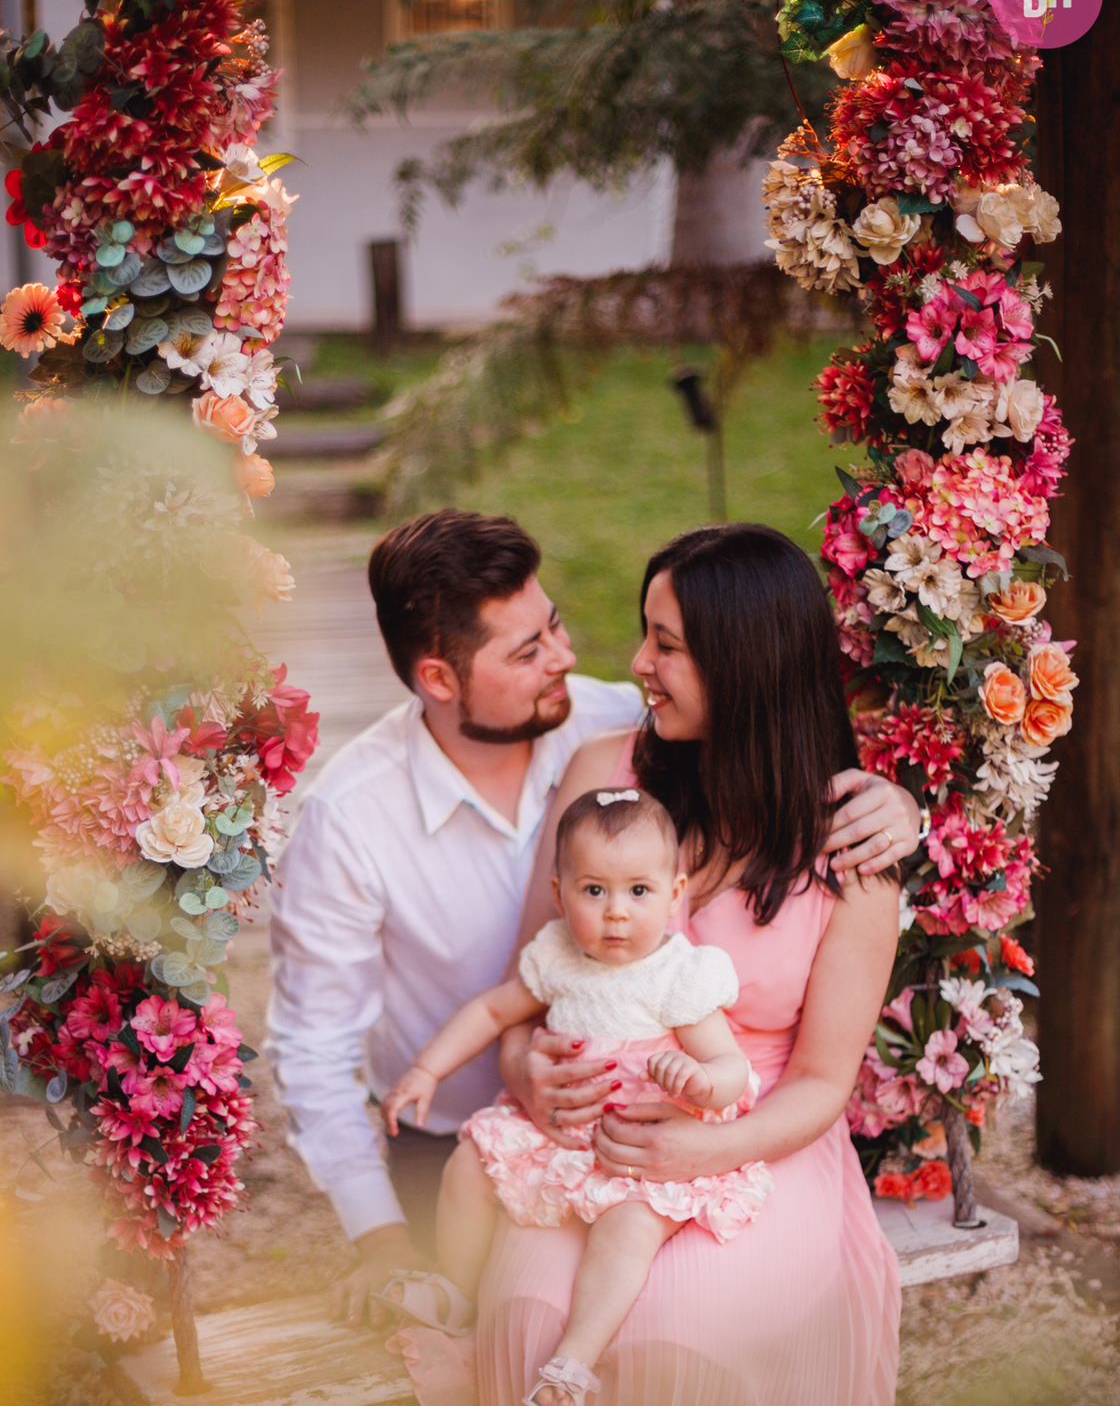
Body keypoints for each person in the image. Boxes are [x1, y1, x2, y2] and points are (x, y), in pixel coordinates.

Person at [394, 525, 903, 1406]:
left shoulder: (852, 845)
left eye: (668, 644)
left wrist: (706, 1143)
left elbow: (825, 1085)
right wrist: (526, 1073)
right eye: (646, 634)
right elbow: (532, 982)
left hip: (757, 1141)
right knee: (527, 1317)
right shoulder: (606, 779)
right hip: (596, 1137)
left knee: (682, 1336)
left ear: (749, 658)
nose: (642, 661)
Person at [267, 508, 918, 1329]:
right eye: (529, 651)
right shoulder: (351, 822)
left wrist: (901, 806)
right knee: (524, 1313)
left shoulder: (606, 723)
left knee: (672, 1318)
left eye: (557, 626)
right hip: (461, 1133)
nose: (570, 660)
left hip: (676, 1119)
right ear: (440, 680)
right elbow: (314, 1050)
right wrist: (383, 1237)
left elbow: (768, 722)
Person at [377, 787, 766, 1406]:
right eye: (595, 891)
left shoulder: (678, 975)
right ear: (559, 894)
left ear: (674, 895)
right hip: (560, 1133)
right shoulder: (557, 955)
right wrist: (425, 1069)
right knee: (466, 1166)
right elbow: (491, 1010)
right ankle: (457, 1288)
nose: (616, 913)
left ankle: (574, 1360)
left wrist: (697, 1079)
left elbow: (732, 1070)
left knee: (629, 1230)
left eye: (639, 891)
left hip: (636, 1147)